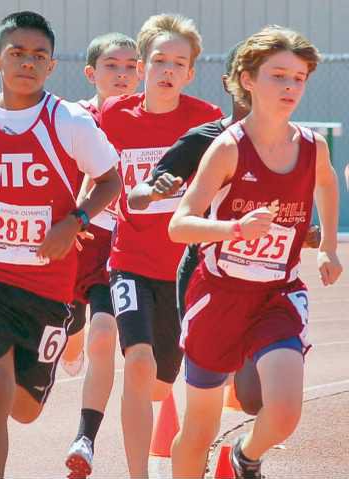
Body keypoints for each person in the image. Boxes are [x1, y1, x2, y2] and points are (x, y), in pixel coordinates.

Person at [0, 11, 122, 478]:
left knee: (25, 409)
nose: (28, 62)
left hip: (49, 288)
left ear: (52, 66)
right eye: (17, 53)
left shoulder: (70, 121)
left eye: (39, 56)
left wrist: (75, 221)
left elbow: (111, 180)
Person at [168, 26, 342, 479]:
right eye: (278, 76)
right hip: (218, 297)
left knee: (283, 411)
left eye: (299, 78)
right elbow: (179, 225)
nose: (290, 87)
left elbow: (326, 183)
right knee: (198, 430)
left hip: (276, 295)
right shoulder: (228, 148)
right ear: (247, 80)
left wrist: (327, 246)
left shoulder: (312, 146)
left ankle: (245, 457)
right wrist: (234, 229)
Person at [129, 40, 323, 416]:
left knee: (254, 396)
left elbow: (291, 216)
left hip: (268, 283)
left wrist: (309, 235)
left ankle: (247, 445)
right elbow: (137, 196)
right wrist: (152, 191)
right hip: (208, 275)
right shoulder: (207, 140)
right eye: (269, 76)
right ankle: (199, 436)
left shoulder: (295, 143)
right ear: (236, 81)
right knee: (197, 381)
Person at [92, 14, 223, 478]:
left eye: (179, 63)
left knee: (160, 385)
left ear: (190, 72)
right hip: (130, 262)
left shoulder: (207, 120)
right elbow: (95, 170)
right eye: (159, 60)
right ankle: (138, 473)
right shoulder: (114, 114)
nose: (168, 70)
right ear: (142, 66)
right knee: (138, 363)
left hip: (186, 270)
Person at [64, 31, 139, 477]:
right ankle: (70, 332)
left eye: (131, 67)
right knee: (74, 331)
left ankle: (85, 438)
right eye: (112, 66)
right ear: (91, 73)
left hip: (122, 242)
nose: (122, 75)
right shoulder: (74, 117)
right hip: (79, 236)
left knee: (104, 335)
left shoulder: (148, 116)